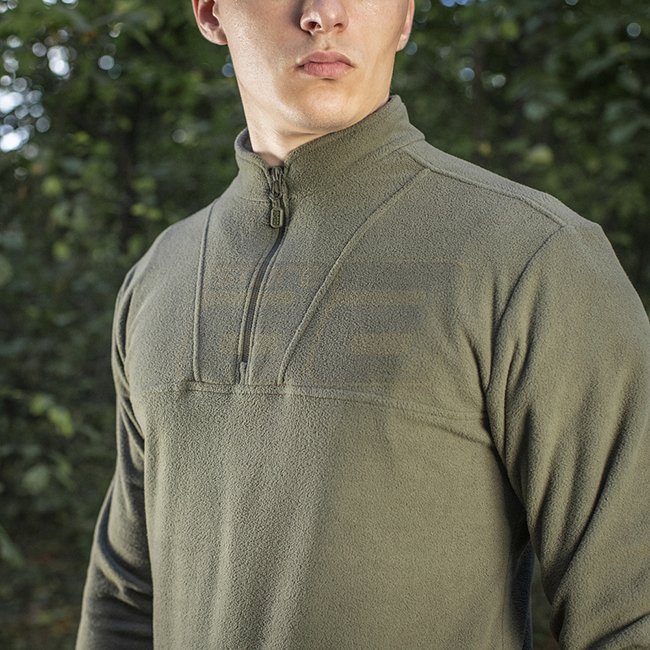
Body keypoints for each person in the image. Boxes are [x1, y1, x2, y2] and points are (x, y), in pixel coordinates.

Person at [76, 1, 650, 648]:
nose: (322, 13)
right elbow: (124, 600)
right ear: (210, 13)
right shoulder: (162, 274)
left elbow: (633, 612)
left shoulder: (531, 255)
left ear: (404, 17)